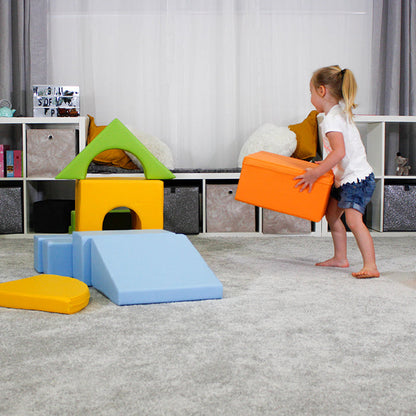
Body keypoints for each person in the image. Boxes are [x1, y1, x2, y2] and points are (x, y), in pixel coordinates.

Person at [294, 65, 379, 279]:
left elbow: (339, 152)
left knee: (353, 220)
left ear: (322, 91)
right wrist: (324, 168)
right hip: (344, 178)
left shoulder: (332, 119)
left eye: (311, 92)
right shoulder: (339, 112)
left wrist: (315, 173)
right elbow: (339, 152)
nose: (310, 97)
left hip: (356, 179)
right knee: (332, 215)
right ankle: (340, 258)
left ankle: (371, 265)